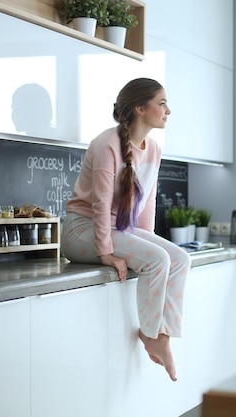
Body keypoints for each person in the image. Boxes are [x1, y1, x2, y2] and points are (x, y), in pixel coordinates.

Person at [61, 78, 191, 381]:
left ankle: (163, 335)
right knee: (158, 260)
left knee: (180, 259)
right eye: (162, 103)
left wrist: (147, 240)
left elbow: (145, 208)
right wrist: (106, 252)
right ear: (140, 108)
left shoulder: (153, 148)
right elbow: (100, 205)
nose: (168, 110)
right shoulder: (107, 143)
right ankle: (149, 334)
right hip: (82, 231)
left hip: (117, 229)